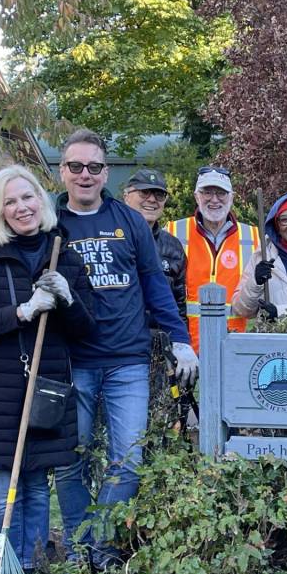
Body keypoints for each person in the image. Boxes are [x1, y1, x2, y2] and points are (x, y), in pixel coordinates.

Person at [55, 129, 197, 568]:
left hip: (126, 361)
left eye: (94, 167)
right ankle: (80, 550)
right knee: (70, 461)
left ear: (105, 174)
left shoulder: (128, 221)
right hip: (70, 360)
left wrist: (180, 340)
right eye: (75, 166)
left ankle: (101, 542)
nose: (85, 174)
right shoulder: (49, 222)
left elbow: (157, 286)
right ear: (63, 172)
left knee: (129, 459)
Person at [0, 165, 95, 573]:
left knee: (36, 486)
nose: (21, 207)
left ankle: (30, 571)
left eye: (27, 197)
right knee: (5, 488)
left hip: (46, 386)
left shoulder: (62, 255)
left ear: (41, 200)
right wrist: (23, 310)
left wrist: (68, 299)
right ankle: (5, 571)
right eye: (10, 202)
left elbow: (86, 329)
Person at [166, 166, 260, 351]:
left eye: (221, 193)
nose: (214, 199)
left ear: (231, 197)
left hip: (239, 347)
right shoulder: (172, 231)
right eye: (207, 192)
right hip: (185, 347)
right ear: (196, 196)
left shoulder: (254, 237)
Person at [122, 169, 189, 422]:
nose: (152, 199)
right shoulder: (112, 237)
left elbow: (178, 304)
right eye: (144, 192)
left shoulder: (172, 247)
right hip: (120, 349)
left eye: (159, 195)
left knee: (160, 420)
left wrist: (182, 348)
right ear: (127, 195)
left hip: (160, 351)